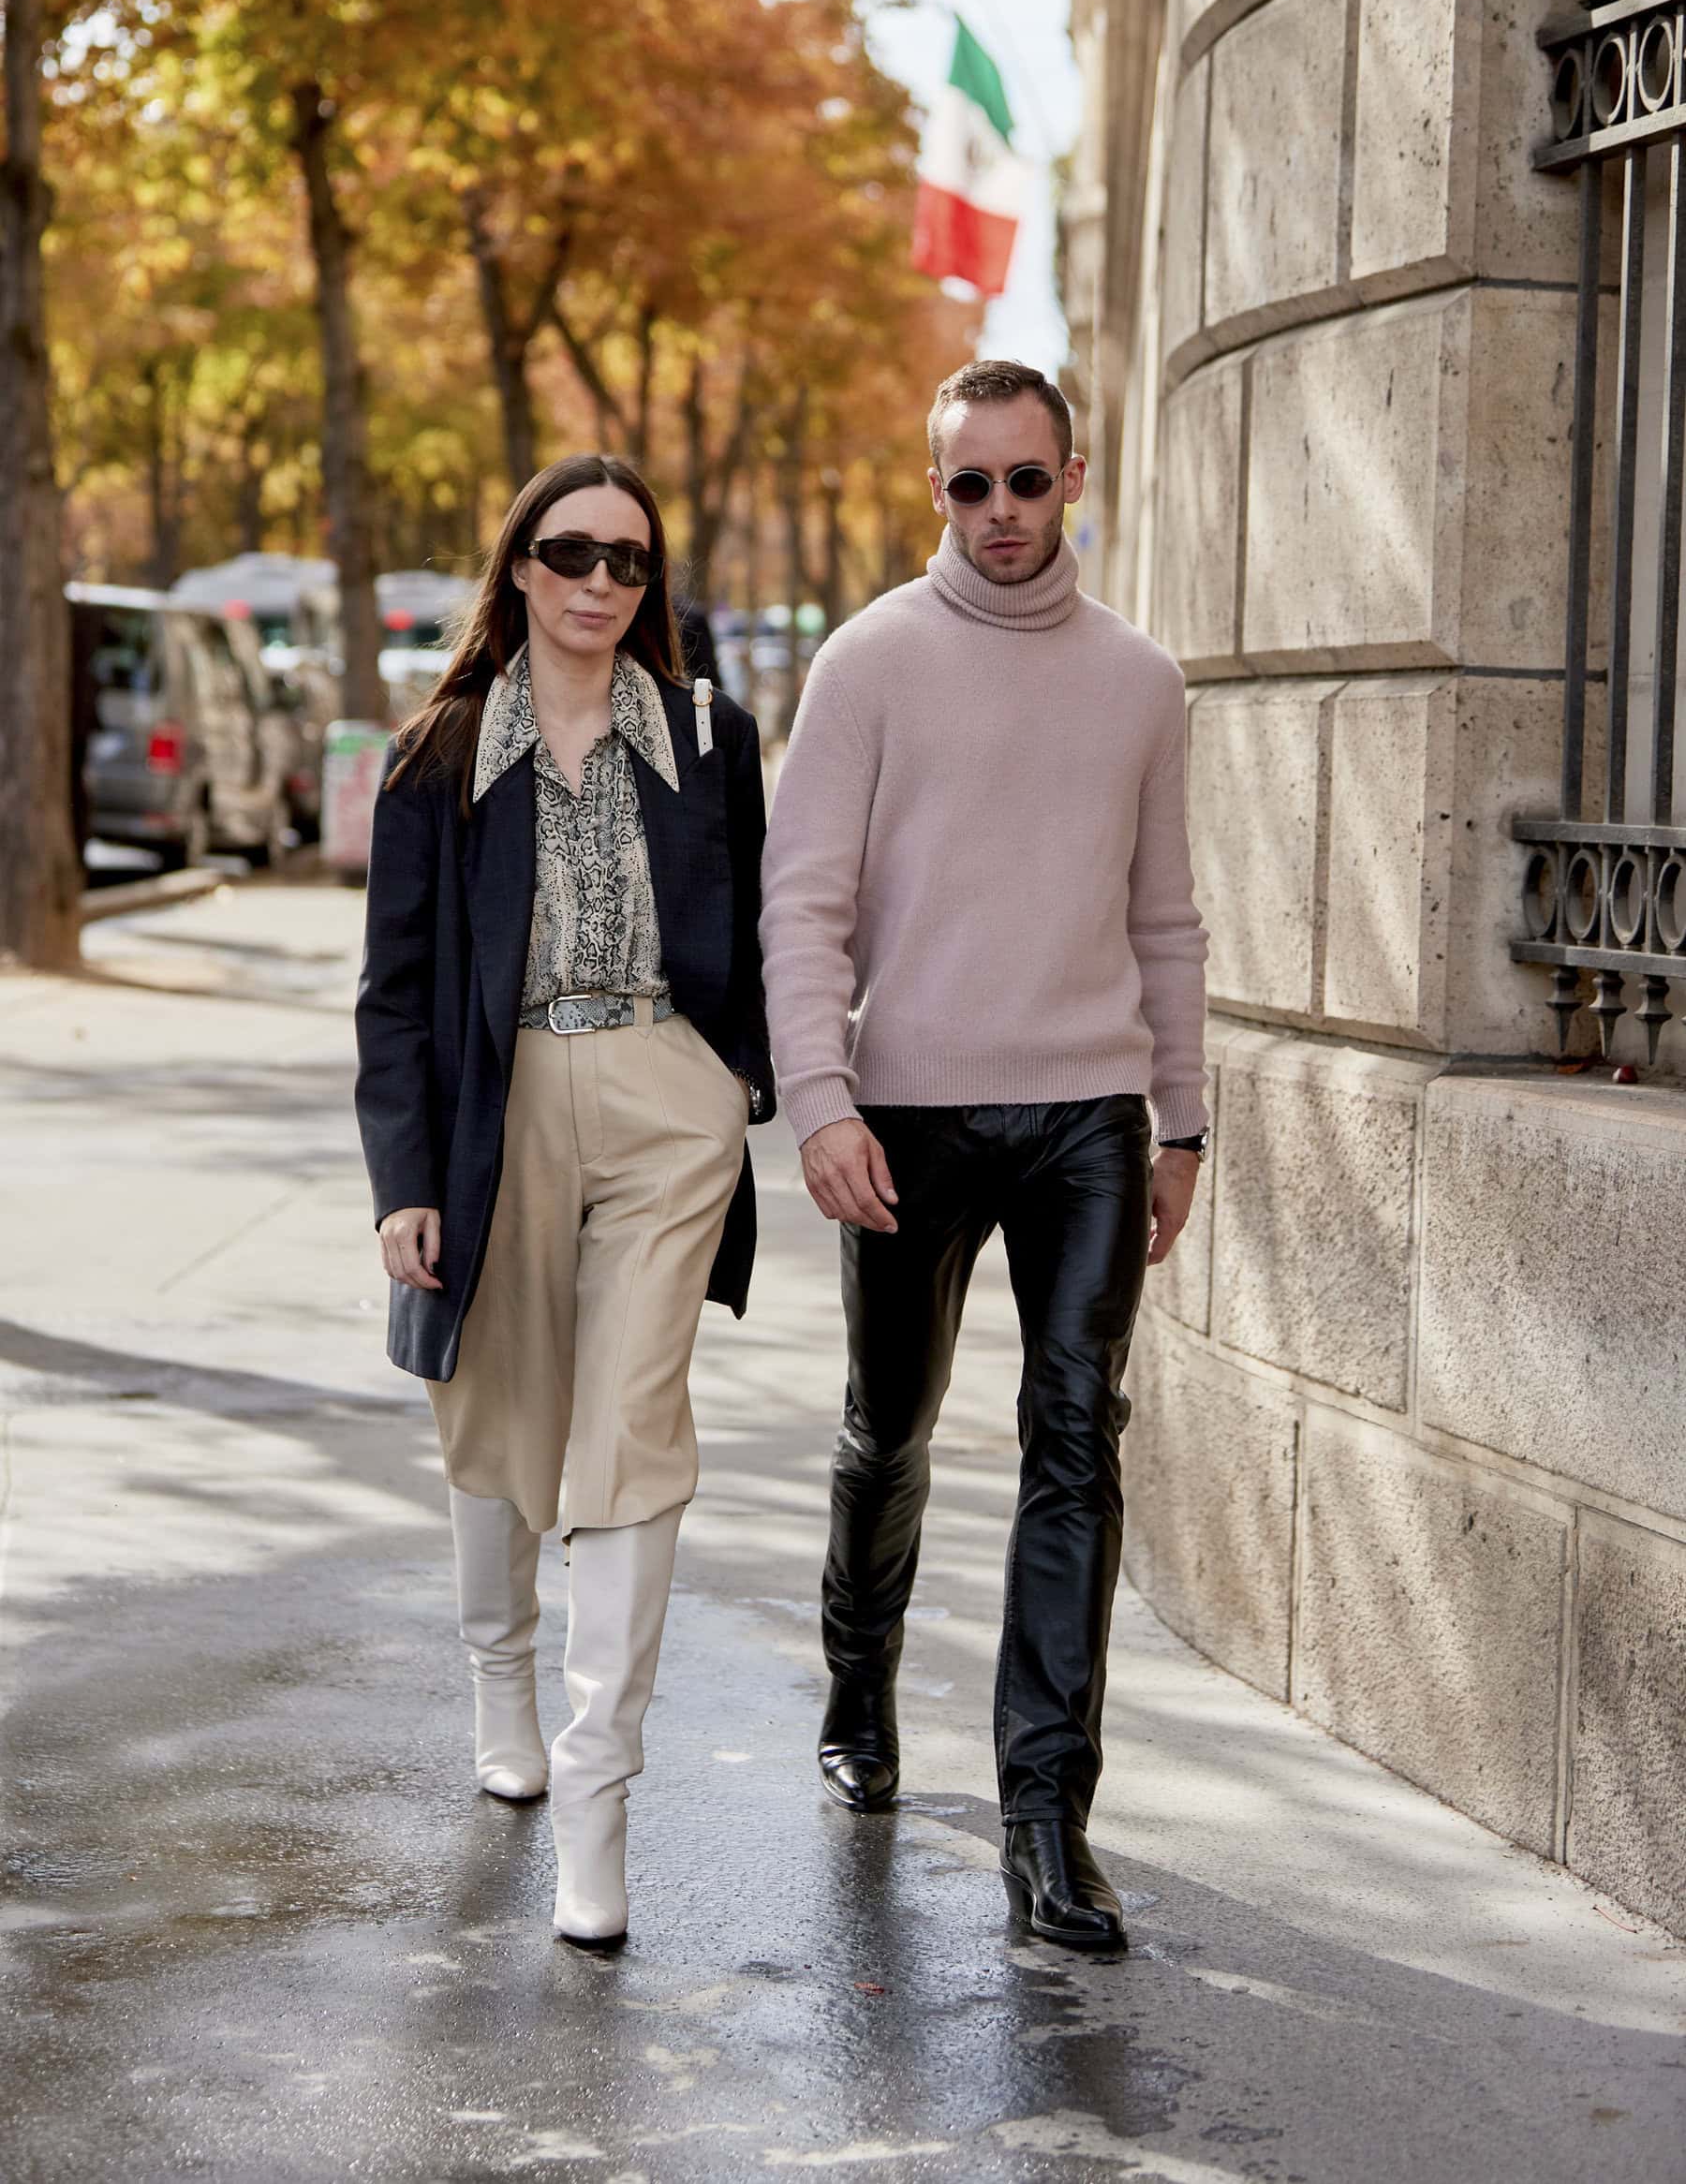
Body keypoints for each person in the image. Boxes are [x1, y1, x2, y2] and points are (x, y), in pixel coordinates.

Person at [760, 358, 1208, 1952]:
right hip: (909, 1116)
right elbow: (803, 904)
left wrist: (1185, 1117)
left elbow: (1165, 916)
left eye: (1028, 480)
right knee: (891, 1425)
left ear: (1072, 480)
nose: (1001, 512)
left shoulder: (1141, 681)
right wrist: (820, 1101)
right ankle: (860, 1683)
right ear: (934, 489)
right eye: (970, 484)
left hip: (1089, 1114)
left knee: (1075, 1441)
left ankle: (1045, 1820)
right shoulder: (869, 663)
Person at [354, 454, 774, 1948]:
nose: (601, 583)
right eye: (573, 553)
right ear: (520, 565)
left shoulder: (707, 742)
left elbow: (767, 927)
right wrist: (407, 1182)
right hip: (501, 1107)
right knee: (498, 1413)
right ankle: (499, 1680)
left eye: (629, 565)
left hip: (665, 1096)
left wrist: (744, 1086)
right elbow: (394, 995)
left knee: (630, 1433)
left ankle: (600, 1807)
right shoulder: (440, 756)